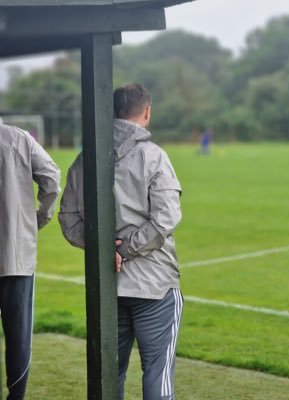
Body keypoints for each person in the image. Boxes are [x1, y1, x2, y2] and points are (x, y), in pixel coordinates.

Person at [58, 83, 183, 400]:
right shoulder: (154, 156)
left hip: (107, 285)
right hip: (154, 285)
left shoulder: (86, 158)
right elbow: (166, 219)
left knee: (109, 376)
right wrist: (124, 251)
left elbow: (69, 218)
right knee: (157, 372)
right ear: (147, 112)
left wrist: (104, 251)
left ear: (112, 112)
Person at [0, 117, 60, 400]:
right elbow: (51, 178)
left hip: (16, 254)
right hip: (16, 254)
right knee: (18, 333)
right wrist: (37, 219)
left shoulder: (19, 138)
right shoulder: (19, 138)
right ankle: (16, 396)